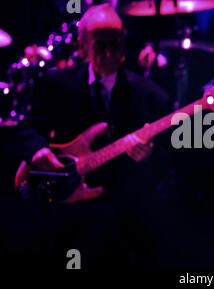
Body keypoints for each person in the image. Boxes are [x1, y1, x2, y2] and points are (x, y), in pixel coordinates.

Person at [13, 4, 173, 269]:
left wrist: (149, 156)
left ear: (125, 44)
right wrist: (38, 150)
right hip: (68, 206)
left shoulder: (152, 95)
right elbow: (27, 129)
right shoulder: (57, 84)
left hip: (124, 209)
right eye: (100, 45)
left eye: (116, 44)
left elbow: (169, 159)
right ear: (83, 46)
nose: (110, 53)